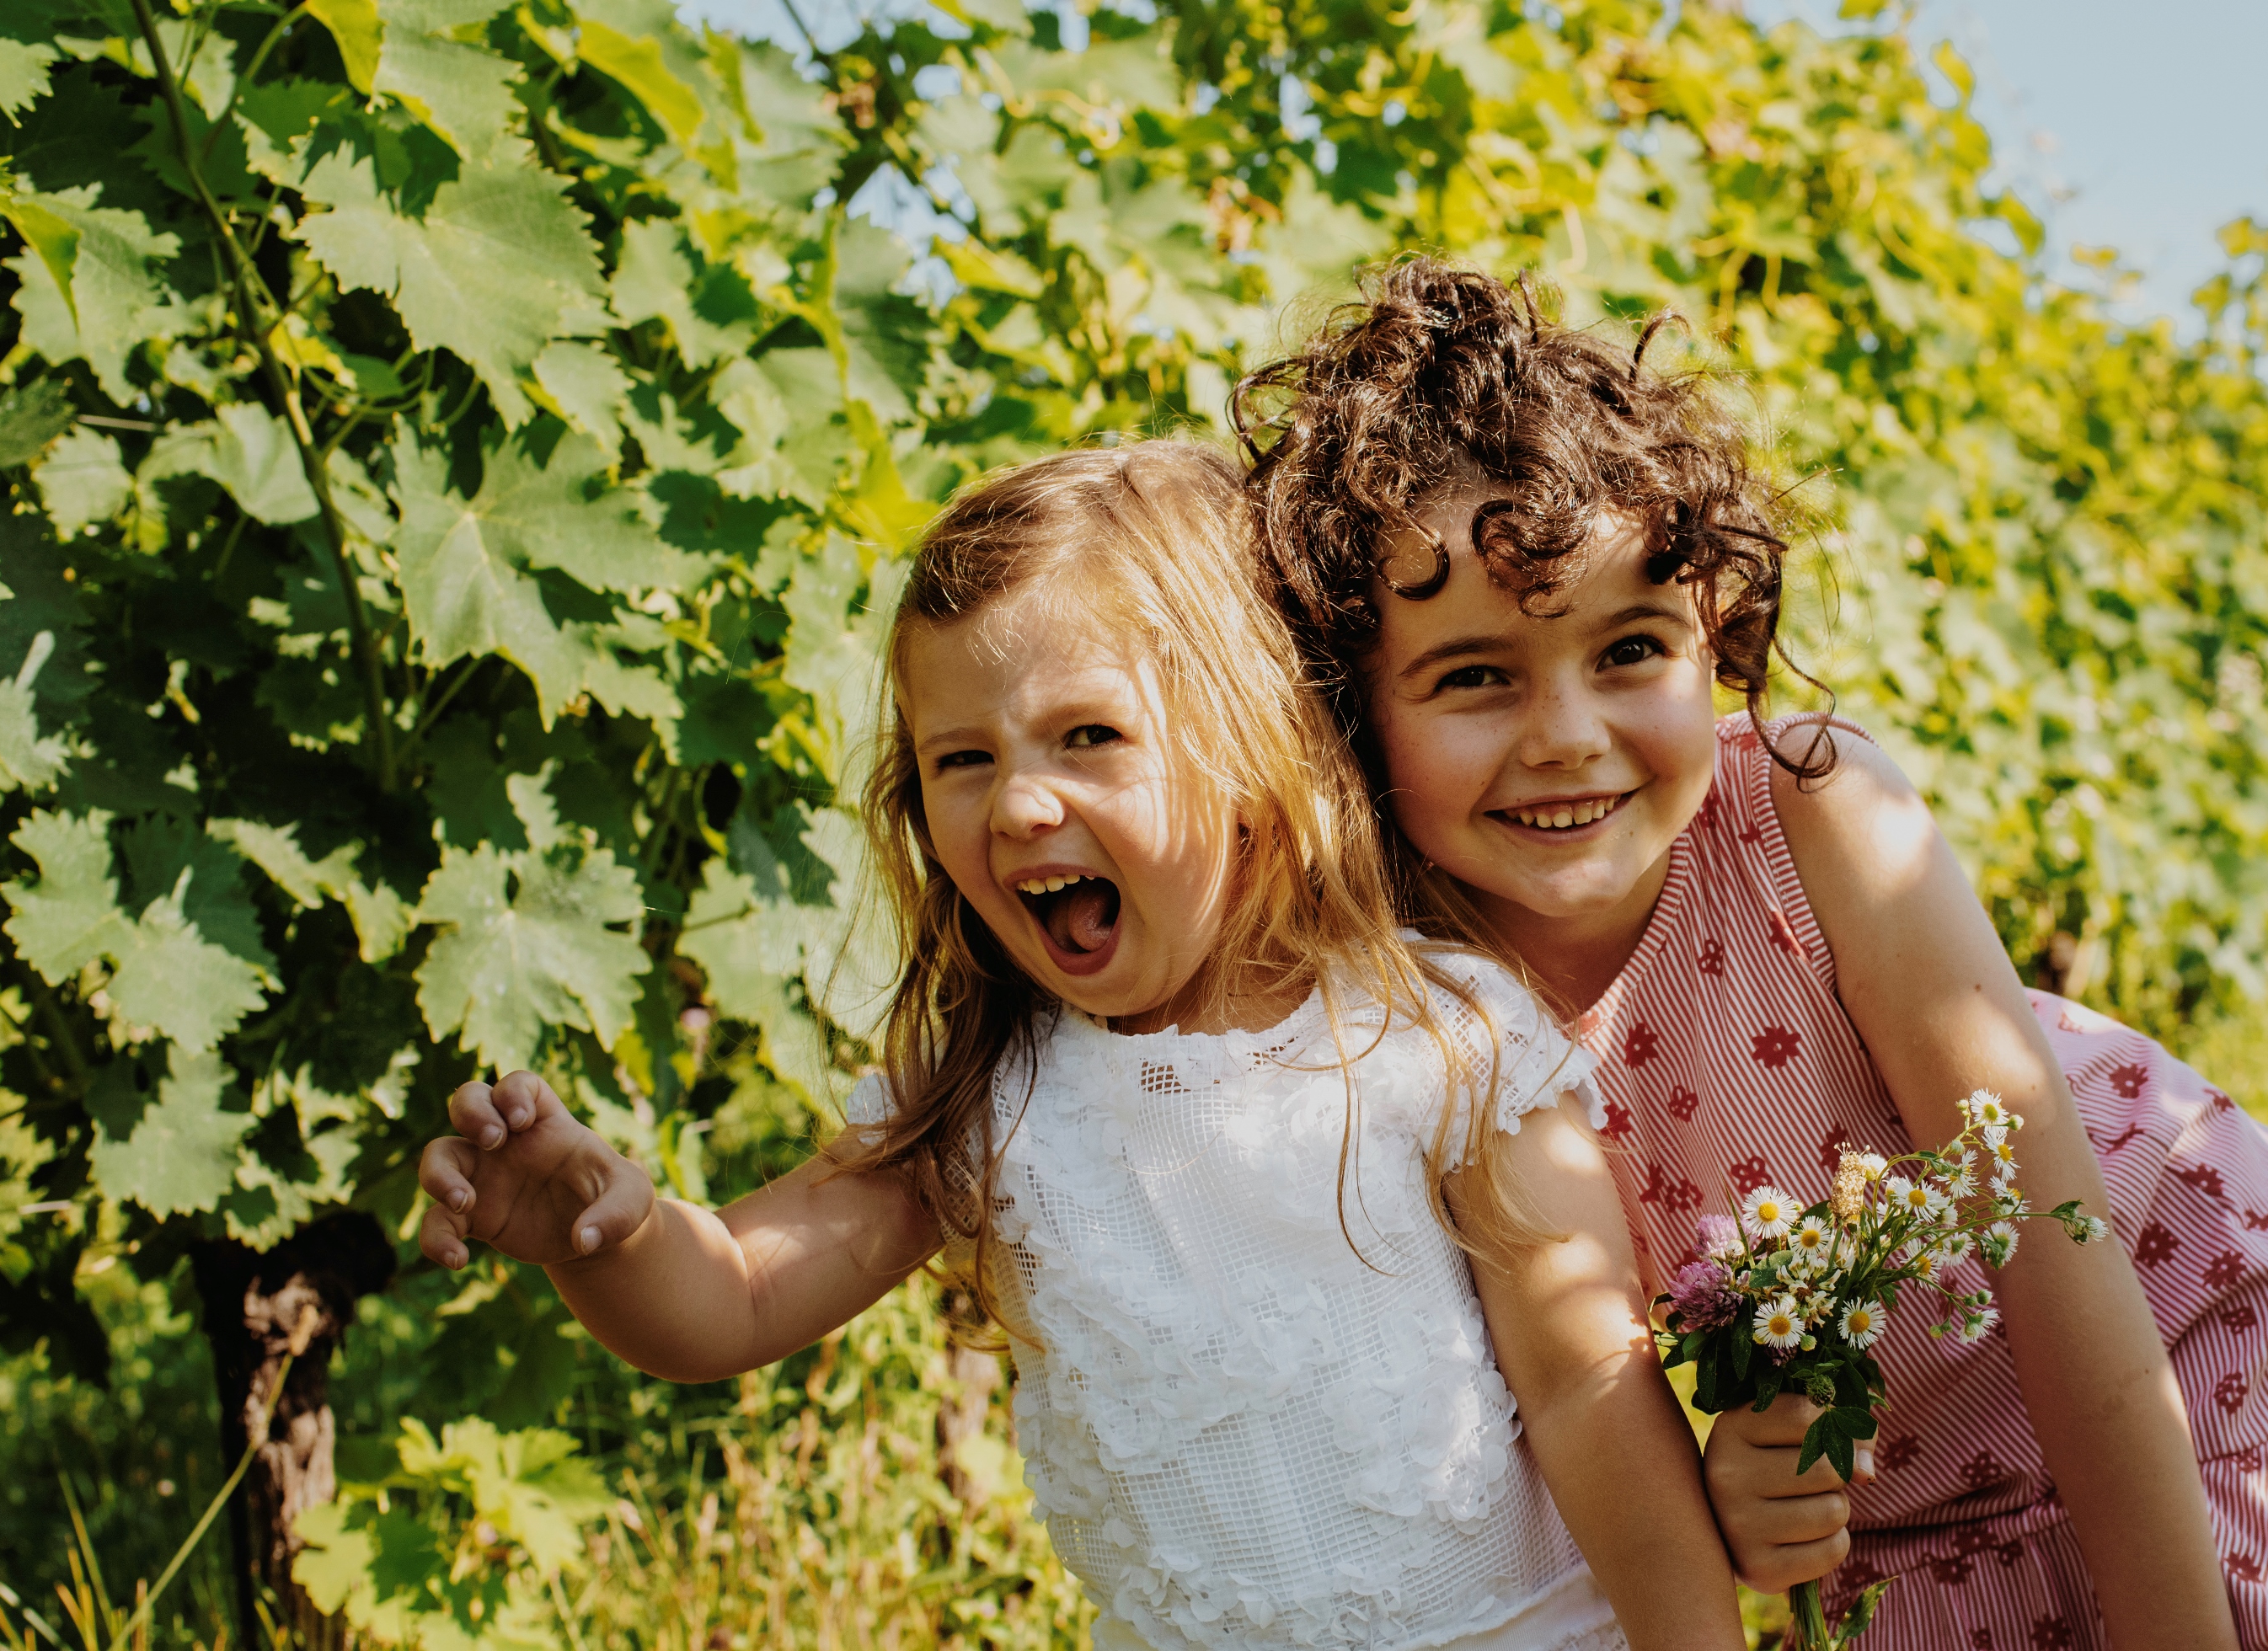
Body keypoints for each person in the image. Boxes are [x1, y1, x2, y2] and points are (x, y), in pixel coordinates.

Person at [1235, 261, 2268, 1650]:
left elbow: (2056, 1244)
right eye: (1476, 676)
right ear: (1353, 706)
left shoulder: (1810, 815)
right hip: (1924, 1496)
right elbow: (1592, 1386)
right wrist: (1741, 1494)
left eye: (1630, 650)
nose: (1567, 736)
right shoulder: (1427, 998)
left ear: (1715, 641)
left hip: (2181, 1345)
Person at [412, 441, 1745, 1651]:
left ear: (1252, 748)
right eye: (962, 760)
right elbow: (736, 1301)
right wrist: (611, 1234)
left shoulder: (1436, 1041)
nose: (1019, 805)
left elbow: (1588, 1391)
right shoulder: (998, 1100)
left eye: (1087, 738)